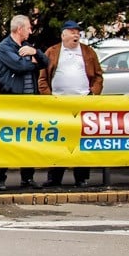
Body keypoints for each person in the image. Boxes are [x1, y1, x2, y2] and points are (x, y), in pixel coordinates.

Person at [38, 20, 103, 187]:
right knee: (57, 140)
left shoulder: (88, 52)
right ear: (63, 35)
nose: (76, 35)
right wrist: (49, 97)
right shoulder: (52, 52)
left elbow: (98, 76)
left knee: (81, 141)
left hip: (82, 102)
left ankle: (81, 178)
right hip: (58, 103)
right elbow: (43, 78)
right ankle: (54, 177)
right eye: (72, 32)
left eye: (78, 32)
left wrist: (93, 94)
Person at [0, 14, 49, 190]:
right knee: (5, 139)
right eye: (28, 28)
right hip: (11, 98)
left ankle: (28, 177)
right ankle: (0, 178)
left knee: (28, 140)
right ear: (19, 29)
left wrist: (35, 53)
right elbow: (20, 66)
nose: (30, 31)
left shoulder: (27, 46)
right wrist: (32, 62)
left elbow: (46, 62)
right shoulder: (4, 47)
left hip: (29, 99)